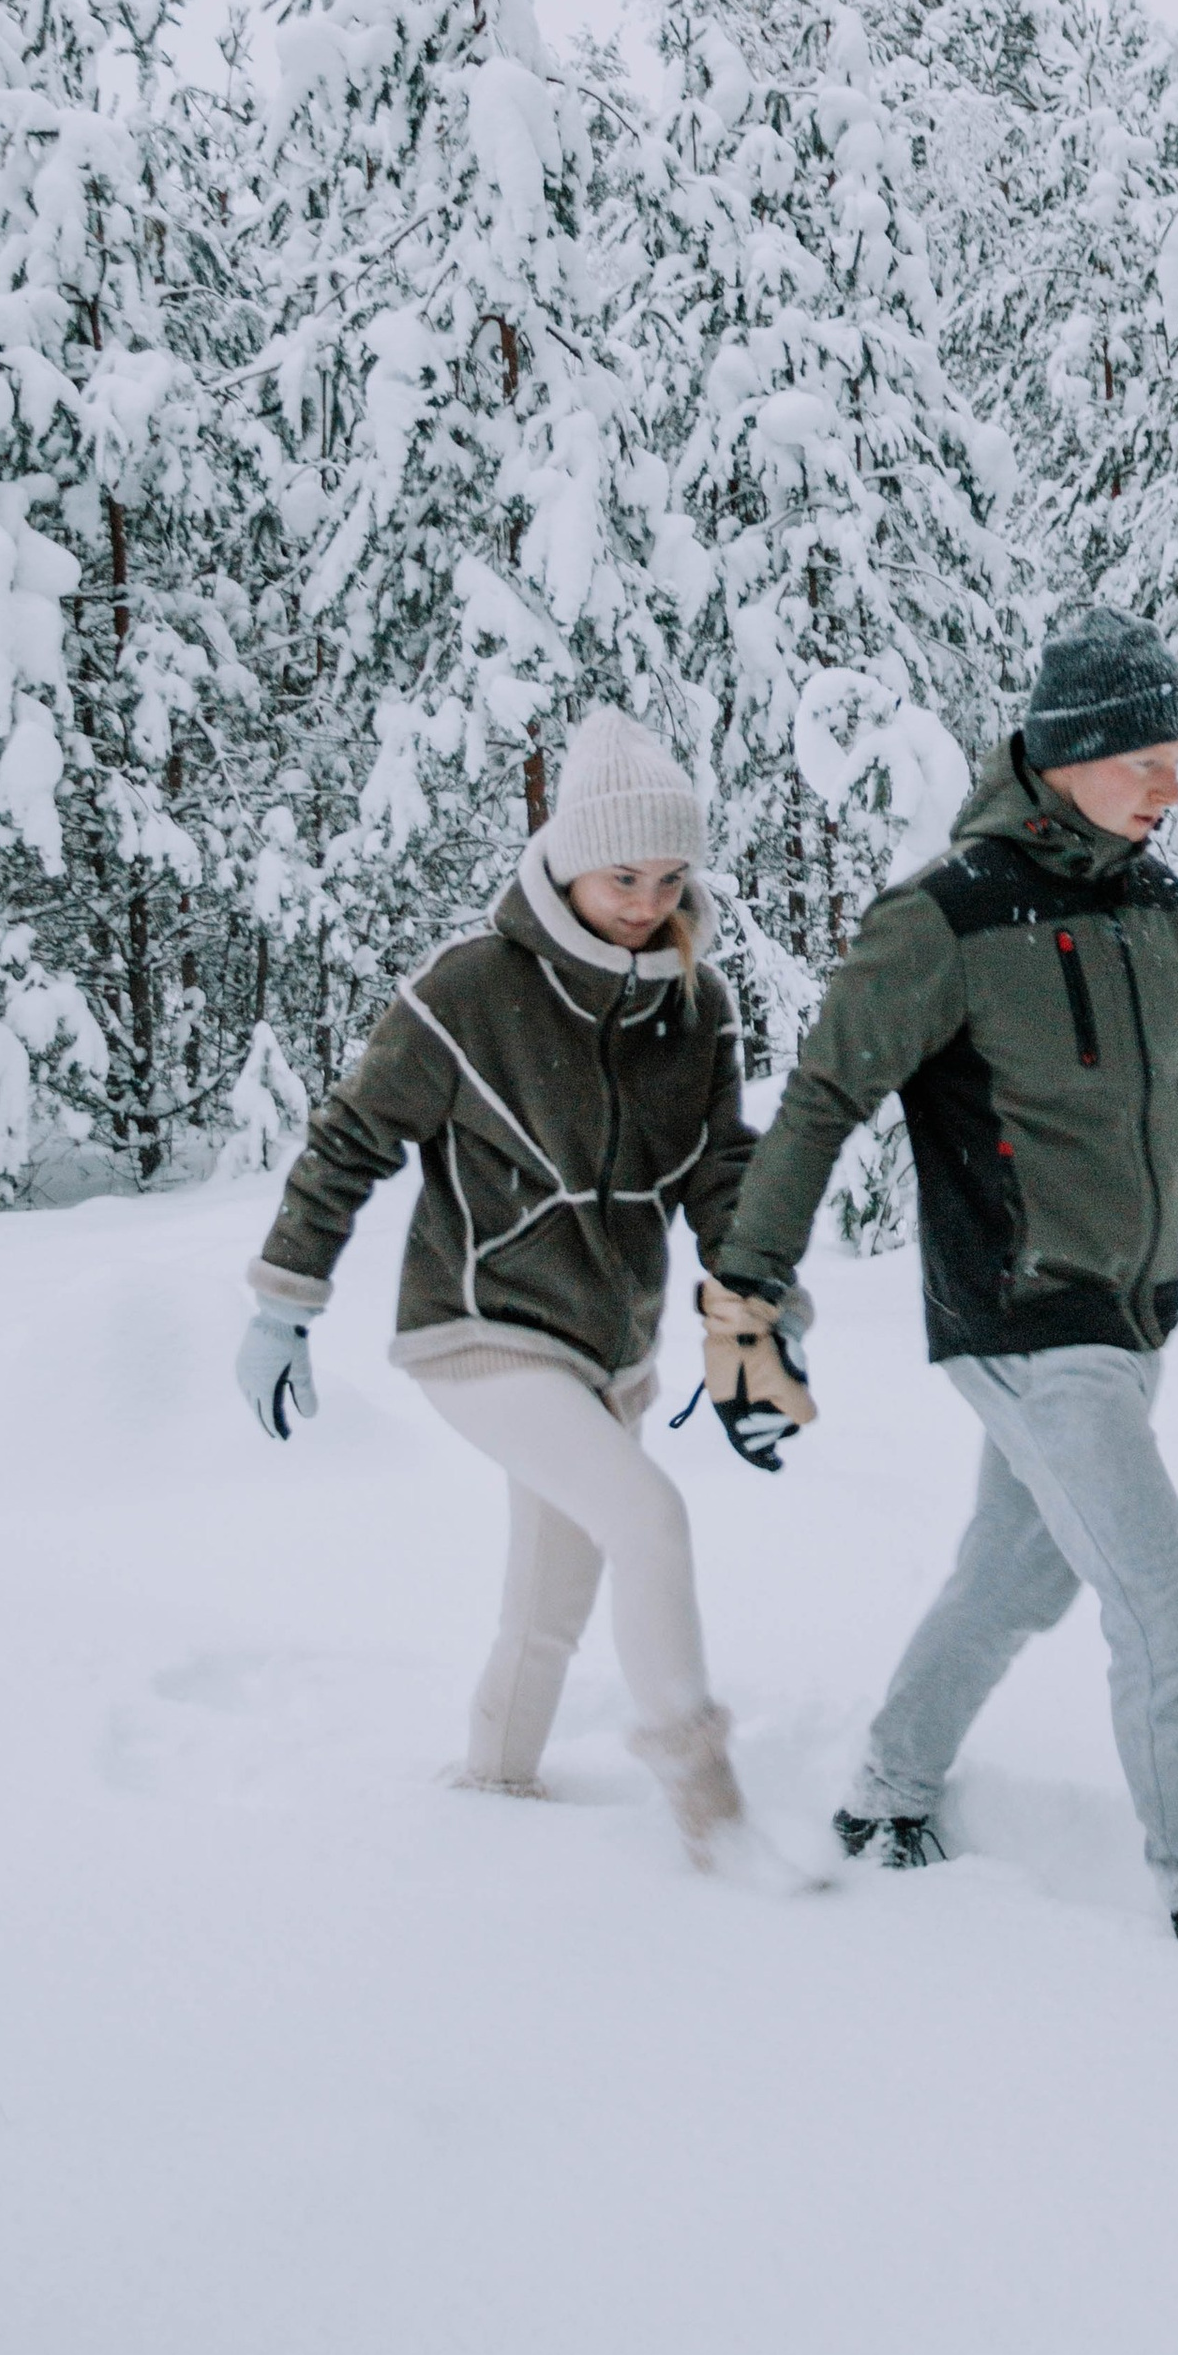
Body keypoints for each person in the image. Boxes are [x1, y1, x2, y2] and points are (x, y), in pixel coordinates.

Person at [711, 606, 1178, 1957]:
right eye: (1147, 758)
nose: (1172, 786)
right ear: (1069, 754)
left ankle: (887, 1794)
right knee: (1164, 1606)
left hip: (1125, 1316)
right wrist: (749, 1304)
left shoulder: (1153, 905)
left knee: (1013, 1580)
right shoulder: (946, 918)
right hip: (1026, 1321)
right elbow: (819, 1101)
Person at [233, 708, 812, 1878]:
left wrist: (755, 1319)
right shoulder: (471, 991)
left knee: (554, 1602)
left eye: (668, 873)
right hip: (479, 1326)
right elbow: (352, 1139)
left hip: (610, 1346)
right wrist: (286, 1299)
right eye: (621, 873)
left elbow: (719, 1171)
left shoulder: (694, 1008)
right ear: (562, 860)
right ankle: (711, 1817)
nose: (647, 897)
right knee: (650, 1519)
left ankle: (492, 1788)